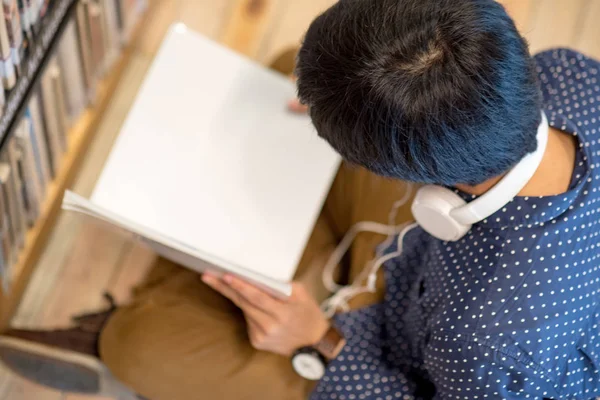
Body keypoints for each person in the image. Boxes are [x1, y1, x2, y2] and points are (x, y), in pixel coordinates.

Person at [2, 0, 600, 398]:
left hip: (404, 349)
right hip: (423, 264)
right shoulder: (567, 73)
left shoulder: (489, 351)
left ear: (403, 173)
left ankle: (156, 310)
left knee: (140, 346)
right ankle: (218, 281)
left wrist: (320, 339)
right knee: (287, 77)